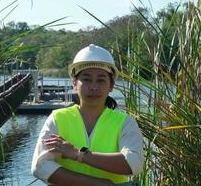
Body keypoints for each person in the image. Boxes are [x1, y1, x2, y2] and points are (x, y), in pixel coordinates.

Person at [31, 44, 144, 185]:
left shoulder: (125, 122)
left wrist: (79, 155)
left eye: (101, 80)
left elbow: (134, 164)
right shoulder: (58, 118)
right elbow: (40, 167)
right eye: (86, 79)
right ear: (74, 83)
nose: (94, 86)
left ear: (111, 85)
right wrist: (97, 184)